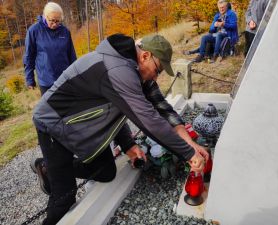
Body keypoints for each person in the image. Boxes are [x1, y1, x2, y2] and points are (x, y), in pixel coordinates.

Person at [30, 33, 209, 225]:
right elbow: (149, 121)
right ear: (145, 56)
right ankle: (51, 171)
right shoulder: (118, 70)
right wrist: (188, 153)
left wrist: (130, 145)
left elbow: (162, 110)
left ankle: (48, 169)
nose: (156, 77)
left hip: (80, 126)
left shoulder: (137, 72)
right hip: (54, 125)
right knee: (64, 197)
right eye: (157, 70)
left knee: (106, 172)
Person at [23, 2, 76, 95]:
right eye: (52, 20)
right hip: (46, 81)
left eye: (58, 21)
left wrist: (76, 75)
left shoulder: (65, 32)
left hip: (65, 79)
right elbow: (28, 56)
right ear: (45, 16)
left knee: (66, 107)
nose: (55, 24)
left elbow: (71, 55)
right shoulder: (34, 31)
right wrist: (29, 79)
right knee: (49, 108)